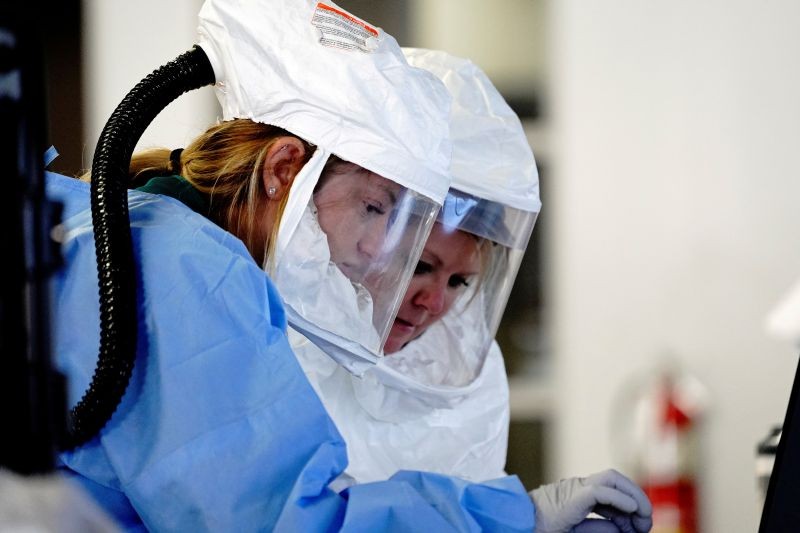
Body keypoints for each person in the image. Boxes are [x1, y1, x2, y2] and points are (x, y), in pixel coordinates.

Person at [50, 0, 651, 530]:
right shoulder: (198, 277)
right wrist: (515, 519)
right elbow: (290, 522)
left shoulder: (128, 229)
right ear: (285, 169)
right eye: (375, 209)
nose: (378, 254)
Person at [289, 48, 653, 533]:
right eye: (420, 266)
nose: (435, 304)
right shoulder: (270, 352)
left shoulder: (456, 382)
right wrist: (516, 518)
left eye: (459, 281)